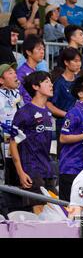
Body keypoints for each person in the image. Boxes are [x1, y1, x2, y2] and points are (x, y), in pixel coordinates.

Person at [10, 71, 55, 214]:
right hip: (31, 170)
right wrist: (21, 172)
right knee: (39, 214)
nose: (51, 85)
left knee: (54, 211)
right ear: (35, 86)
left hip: (47, 169)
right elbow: (13, 144)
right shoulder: (25, 112)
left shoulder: (48, 112)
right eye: (46, 81)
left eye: (50, 81)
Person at [47, 47, 81, 142]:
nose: (79, 64)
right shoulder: (59, 83)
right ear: (66, 62)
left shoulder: (79, 81)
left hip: (78, 123)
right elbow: (49, 105)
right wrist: (67, 114)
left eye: (80, 61)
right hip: (63, 124)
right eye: (75, 61)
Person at [0, 63, 23, 192]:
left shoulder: (17, 94)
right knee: (7, 180)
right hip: (5, 144)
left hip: (20, 142)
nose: (15, 74)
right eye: (10, 73)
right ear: (1, 80)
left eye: (14, 72)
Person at [16, 35, 45, 104]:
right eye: (39, 49)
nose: (42, 52)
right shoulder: (21, 72)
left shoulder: (36, 70)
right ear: (28, 52)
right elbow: (20, 94)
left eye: (43, 49)